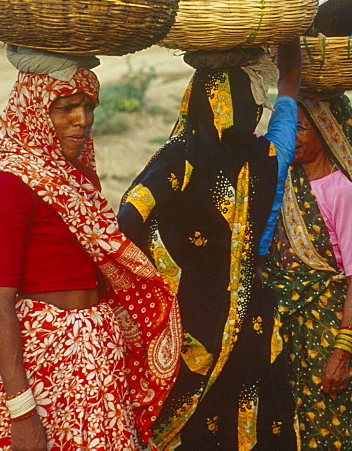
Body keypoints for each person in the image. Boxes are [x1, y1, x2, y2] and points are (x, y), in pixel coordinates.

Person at [0, 51, 180, 450]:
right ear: (36, 111)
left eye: (88, 106)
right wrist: (21, 411)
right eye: (67, 107)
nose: (83, 119)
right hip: (47, 363)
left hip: (97, 356)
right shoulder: (11, 184)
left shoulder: (76, 181)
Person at [118, 44, 301, 450]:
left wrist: (159, 279)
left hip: (190, 326)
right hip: (250, 321)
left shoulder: (178, 159)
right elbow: (289, 92)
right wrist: (293, 44)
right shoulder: (268, 155)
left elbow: (128, 219)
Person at [265, 95, 352, 449]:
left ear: (327, 133)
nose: (294, 136)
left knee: (328, 428)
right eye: (290, 128)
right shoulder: (283, 183)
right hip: (287, 329)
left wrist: (341, 352)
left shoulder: (342, 192)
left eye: (301, 128)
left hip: (327, 330)